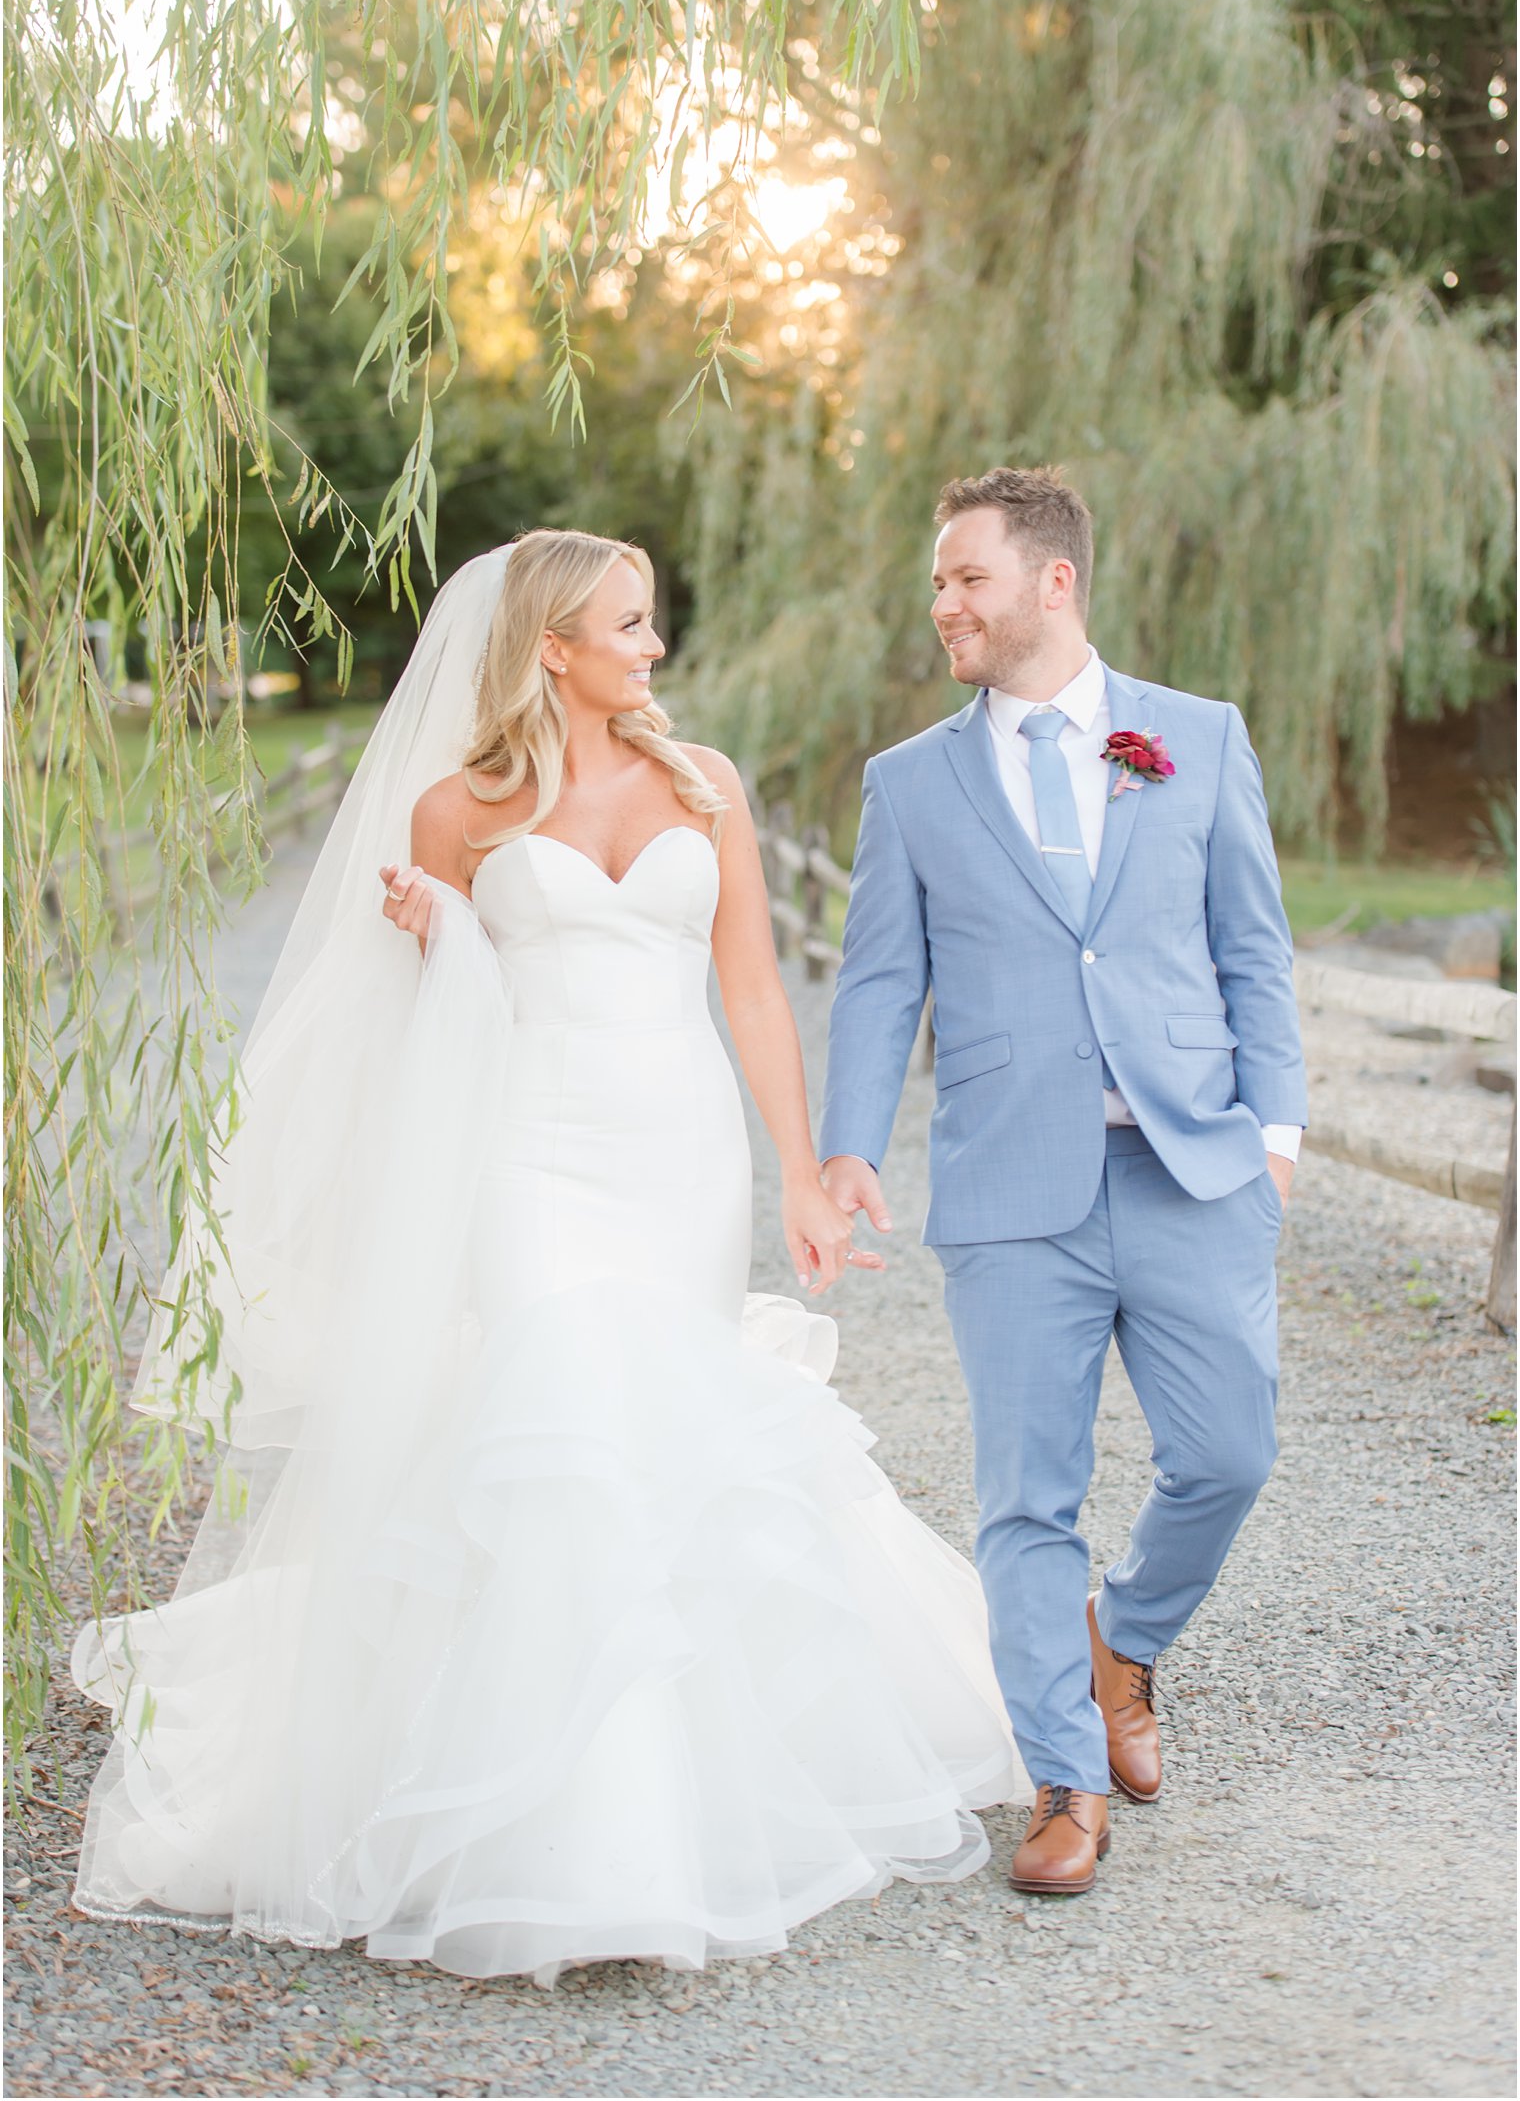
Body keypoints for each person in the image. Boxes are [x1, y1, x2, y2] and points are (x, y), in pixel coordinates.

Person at [69, 528, 1024, 1985]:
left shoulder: (708, 786)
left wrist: (803, 1176)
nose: (653, 647)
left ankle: (694, 1779)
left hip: (681, 1156)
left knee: (661, 1443)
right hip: (532, 1160)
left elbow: (757, 989)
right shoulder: (459, 808)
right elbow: (401, 1023)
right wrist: (437, 924)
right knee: (562, 1423)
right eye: (628, 626)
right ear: (552, 651)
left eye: (650, 623)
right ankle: (578, 1842)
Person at [820, 467, 1306, 1896]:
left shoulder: (1196, 741)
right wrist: (850, 1140)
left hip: (1191, 1160)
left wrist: (1276, 1136)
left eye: (967, 578)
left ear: (1054, 583)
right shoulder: (910, 782)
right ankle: (1064, 1781)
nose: (944, 605)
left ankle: (1125, 1648)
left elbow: (1254, 949)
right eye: (937, 583)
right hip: (1013, 1181)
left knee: (1230, 1452)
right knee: (1025, 1499)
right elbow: (876, 979)